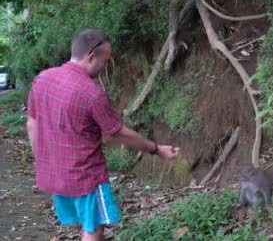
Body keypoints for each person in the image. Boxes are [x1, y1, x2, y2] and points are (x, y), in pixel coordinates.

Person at [26, 29, 180, 240]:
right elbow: (118, 133)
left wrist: (42, 161)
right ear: (91, 57)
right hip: (85, 176)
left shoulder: (42, 79)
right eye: (105, 60)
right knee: (93, 227)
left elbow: (33, 123)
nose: (106, 66)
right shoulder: (91, 93)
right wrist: (156, 149)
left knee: (83, 222)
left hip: (55, 173)